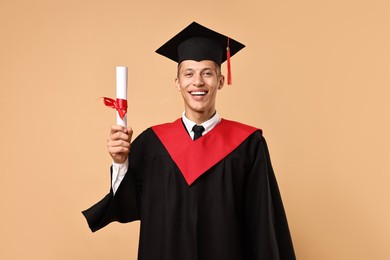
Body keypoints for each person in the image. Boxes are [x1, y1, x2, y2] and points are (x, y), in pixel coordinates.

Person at [82, 21, 296, 260]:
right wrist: (120, 162)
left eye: (207, 73)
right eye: (189, 74)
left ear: (221, 80)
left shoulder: (248, 145)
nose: (198, 82)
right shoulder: (153, 144)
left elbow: (262, 221)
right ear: (178, 83)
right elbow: (129, 202)